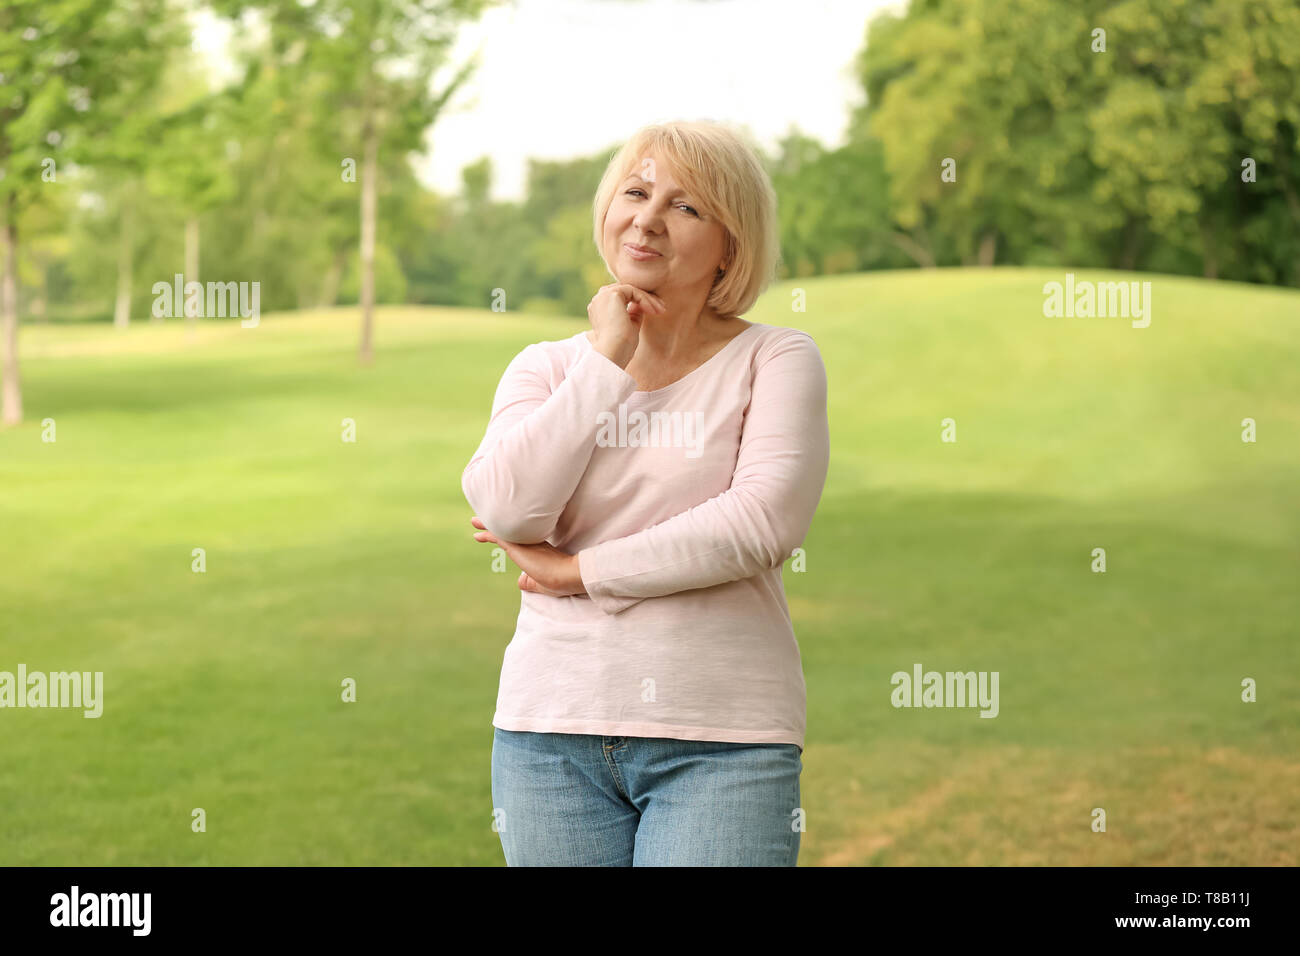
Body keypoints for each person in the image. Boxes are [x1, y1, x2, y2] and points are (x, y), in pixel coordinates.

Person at [463, 119, 830, 866]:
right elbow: (506, 506)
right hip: (547, 734)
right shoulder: (548, 367)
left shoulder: (777, 357)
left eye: (687, 207)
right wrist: (606, 360)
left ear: (732, 243)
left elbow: (761, 522)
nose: (648, 218)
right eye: (636, 192)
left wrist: (579, 571)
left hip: (722, 741)